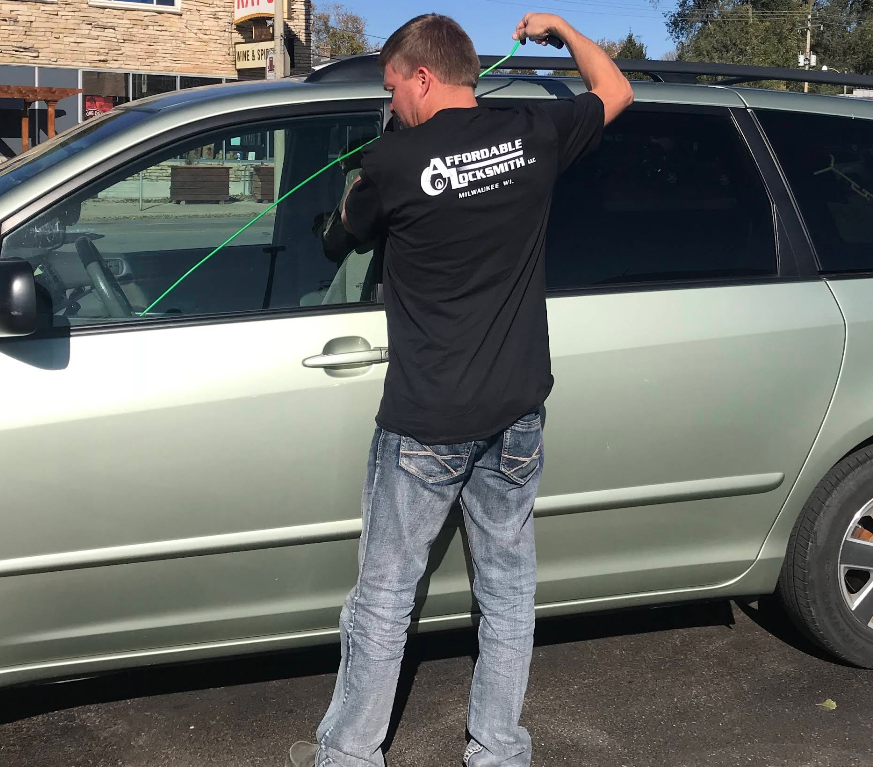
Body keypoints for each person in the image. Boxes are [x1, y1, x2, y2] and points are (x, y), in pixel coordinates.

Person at [288, 12, 633, 767]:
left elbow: (341, 232)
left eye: (391, 90)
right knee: (507, 592)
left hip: (426, 422)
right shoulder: (533, 134)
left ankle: (348, 754)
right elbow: (616, 88)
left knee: (383, 598)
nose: (390, 107)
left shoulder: (387, 164)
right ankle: (499, 750)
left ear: (420, 76)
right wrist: (562, 29)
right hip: (515, 414)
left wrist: (337, 218)